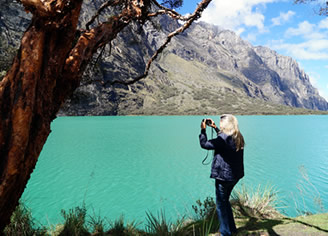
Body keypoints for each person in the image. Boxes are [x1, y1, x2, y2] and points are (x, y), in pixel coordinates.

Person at [199, 114, 245, 236]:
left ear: (225, 125)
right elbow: (223, 138)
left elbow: (205, 144)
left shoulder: (223, 139)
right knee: (225, 201)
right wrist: (214, 128)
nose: (219, 125)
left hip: (223, 177)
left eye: (220, 124)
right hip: (235, 177)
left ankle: (225, 233)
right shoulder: (238, 137)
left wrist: (203, 130)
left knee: (220, 205)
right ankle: (232, 229)